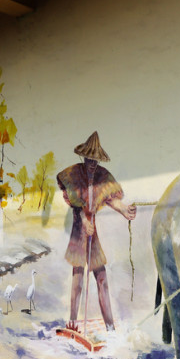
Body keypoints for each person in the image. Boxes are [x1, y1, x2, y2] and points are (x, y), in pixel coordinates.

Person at [57, 132, 136, 332]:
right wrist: (84, 221)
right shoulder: (74, 174)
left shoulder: (102, 176)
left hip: (93, 231)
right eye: (89, 159)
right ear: (84, 158)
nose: (92, 164)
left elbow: (111, 199)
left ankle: (110, 326)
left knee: (101, 276)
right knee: (78, 275)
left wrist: (124, 209)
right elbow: (75, 204)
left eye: (95, 160)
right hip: (79, 228)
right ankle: (73, 323)